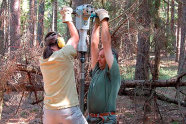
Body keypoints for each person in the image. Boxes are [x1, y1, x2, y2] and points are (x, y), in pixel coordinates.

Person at [39, 6, 88, 124]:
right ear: (60, 42)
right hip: (68, 110)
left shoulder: (42, 61)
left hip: (49, 112)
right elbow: (75, 37)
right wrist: (67, 18)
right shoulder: (64, 54)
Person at [87, 9, 121, 124]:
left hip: (106, 121)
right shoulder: (97, 70)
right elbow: (93, 45)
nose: (98, 58)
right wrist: (96, 23)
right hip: (92, 120)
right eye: (99, 56)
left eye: (102, 56)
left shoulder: (113, 73)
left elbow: (106, 44)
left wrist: (104, 19)